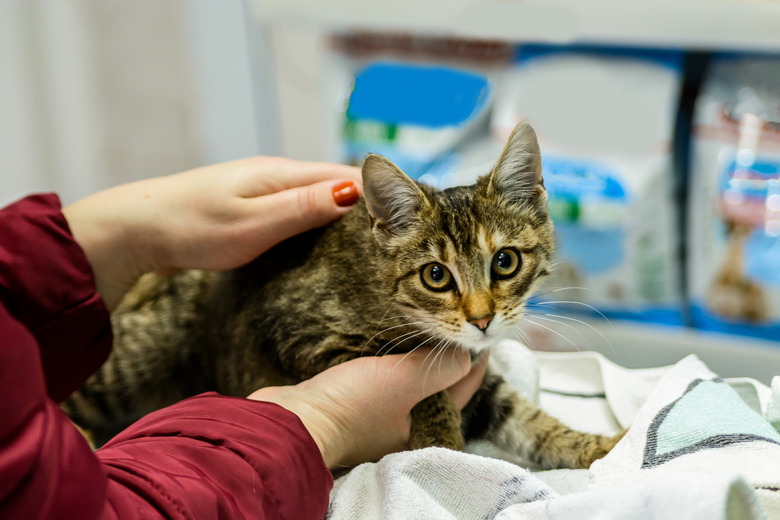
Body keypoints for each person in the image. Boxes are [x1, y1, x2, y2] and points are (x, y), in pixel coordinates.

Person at [0, 156, 488, 519]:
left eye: (503, 266)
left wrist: (112, 234)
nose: (480, 310)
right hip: (194, 353)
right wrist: (320, 422)